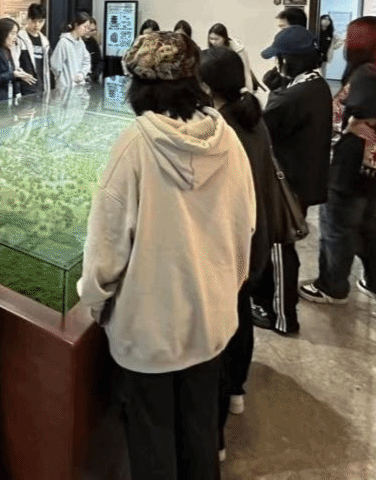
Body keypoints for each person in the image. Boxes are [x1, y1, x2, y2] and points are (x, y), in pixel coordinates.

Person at [78, 32, 255, 478]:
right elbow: (244, 228)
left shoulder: (134, 145)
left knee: (152, 440)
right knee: (200, 435)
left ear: (137, 86)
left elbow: (106, 248)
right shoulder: (227, 140)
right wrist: (225, 293)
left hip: (148, 333)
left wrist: (96, 302)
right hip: (211, 323)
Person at [199, 46, 283, 454]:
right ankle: (237, 390)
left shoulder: (221, 131)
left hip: (233, 243)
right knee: (241, 317)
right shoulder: (253, 117)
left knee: (220, 333)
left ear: (207, 87)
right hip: (255, 238)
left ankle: (214, 433)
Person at [301, 17, 376, 310]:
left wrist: (352, 125)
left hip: (352, 163)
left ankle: (332, 286)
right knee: (367, 224)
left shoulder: (365, 75)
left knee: (336, 225)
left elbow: (362, 109)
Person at [251, 25, 332, 336]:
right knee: (279, 245)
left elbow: (262, 127)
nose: (277, 63)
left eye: (280, 58)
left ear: (290, 59)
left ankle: (282, 316)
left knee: (279, 247)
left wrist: (274, 92)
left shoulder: (293, 96)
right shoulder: (316, 84)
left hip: (288, 183)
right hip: (303, 178)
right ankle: (272, 305)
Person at [0, 18, 34, 103]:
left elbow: (8, 73)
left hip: (8, 98)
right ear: (3, 33)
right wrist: (13, 74)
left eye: (16, 34)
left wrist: (20, 75)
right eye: (12, 33)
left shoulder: (7, 50)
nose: (15, 37)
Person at [13, 3, 52, 95]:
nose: (37, 25)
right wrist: (21, 75)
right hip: (25, 87)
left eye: (40, 21)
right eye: (34, 21)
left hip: (41, 87)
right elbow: (14, 62)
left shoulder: (45, 41)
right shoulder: (19, 38)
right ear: (28, 19)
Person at [208, 23, 259, 91]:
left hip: (239, 77)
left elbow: (246, 72)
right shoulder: (212, 49)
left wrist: (249, 91)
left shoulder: (237, 48)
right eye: (211, 39)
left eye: (216, 39)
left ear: (224, 38)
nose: (213, 42)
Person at [50, 11, 92, 89]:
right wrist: (61, 79)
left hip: (78, 86)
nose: (86, 30)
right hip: (65, 87)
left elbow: (86, 60)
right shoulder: (64, 42)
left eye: (88, 28)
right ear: (76, 25)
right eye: (84, 27)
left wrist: (82, 74)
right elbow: (55, 65)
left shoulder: (81, 43)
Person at [84, 15, 103, 82]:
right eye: (91, 30)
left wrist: (95, 74)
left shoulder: (93, 42)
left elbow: (99, 61)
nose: (93, 32)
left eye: (95, 30)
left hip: (91, 78)